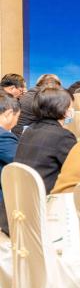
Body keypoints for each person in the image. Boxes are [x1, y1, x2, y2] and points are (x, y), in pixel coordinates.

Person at [0, 95, 21, 235]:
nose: (17, 121)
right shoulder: (3, 136)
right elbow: (21, 162)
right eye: (17, 117)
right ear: (8, 114)